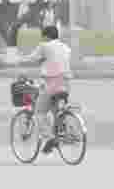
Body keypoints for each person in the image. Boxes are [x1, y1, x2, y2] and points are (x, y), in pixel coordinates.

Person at [18, 25, 73, 156]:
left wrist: (18, 59)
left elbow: (32, 58)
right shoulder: (66, 48)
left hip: (52, 83)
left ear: (46, 36)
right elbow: (55, 61)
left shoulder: (44, 46)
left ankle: (49, 138)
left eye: (43, 36)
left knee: (39, 112)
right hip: (66, 84)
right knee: (56, 110)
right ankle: (63, 131)